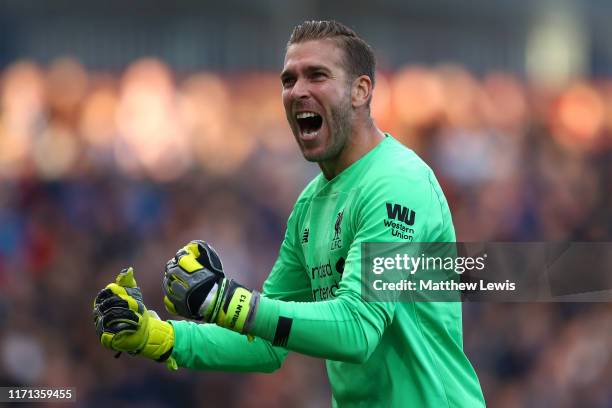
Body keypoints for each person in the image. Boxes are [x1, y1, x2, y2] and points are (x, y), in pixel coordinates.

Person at [93, 20, 485, 407]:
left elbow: (358, 330)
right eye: (288, 80)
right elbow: (266, 345)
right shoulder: (311, 203)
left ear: (360, 91)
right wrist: (158, 336)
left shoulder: (396, 184)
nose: (298, 91)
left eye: (317, 76)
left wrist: (228, 301)